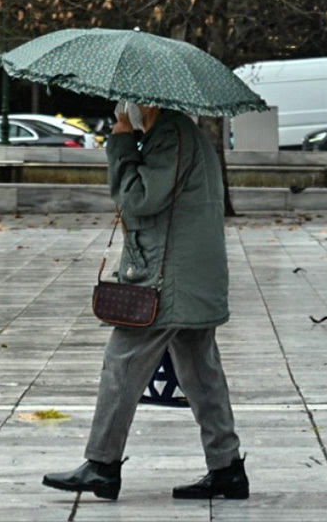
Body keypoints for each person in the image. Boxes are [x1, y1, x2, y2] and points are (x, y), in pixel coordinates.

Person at [42, 102, 246, 502]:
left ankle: (102, 465)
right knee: (201, 374)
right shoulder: (174, 133)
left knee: (123, 361)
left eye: (129, 102)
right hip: (189, 275)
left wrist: (120, 139)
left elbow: (138, 201)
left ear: (148, 101)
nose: (124, 108)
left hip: (170, 278)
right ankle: (227, 468)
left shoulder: (170, 135)